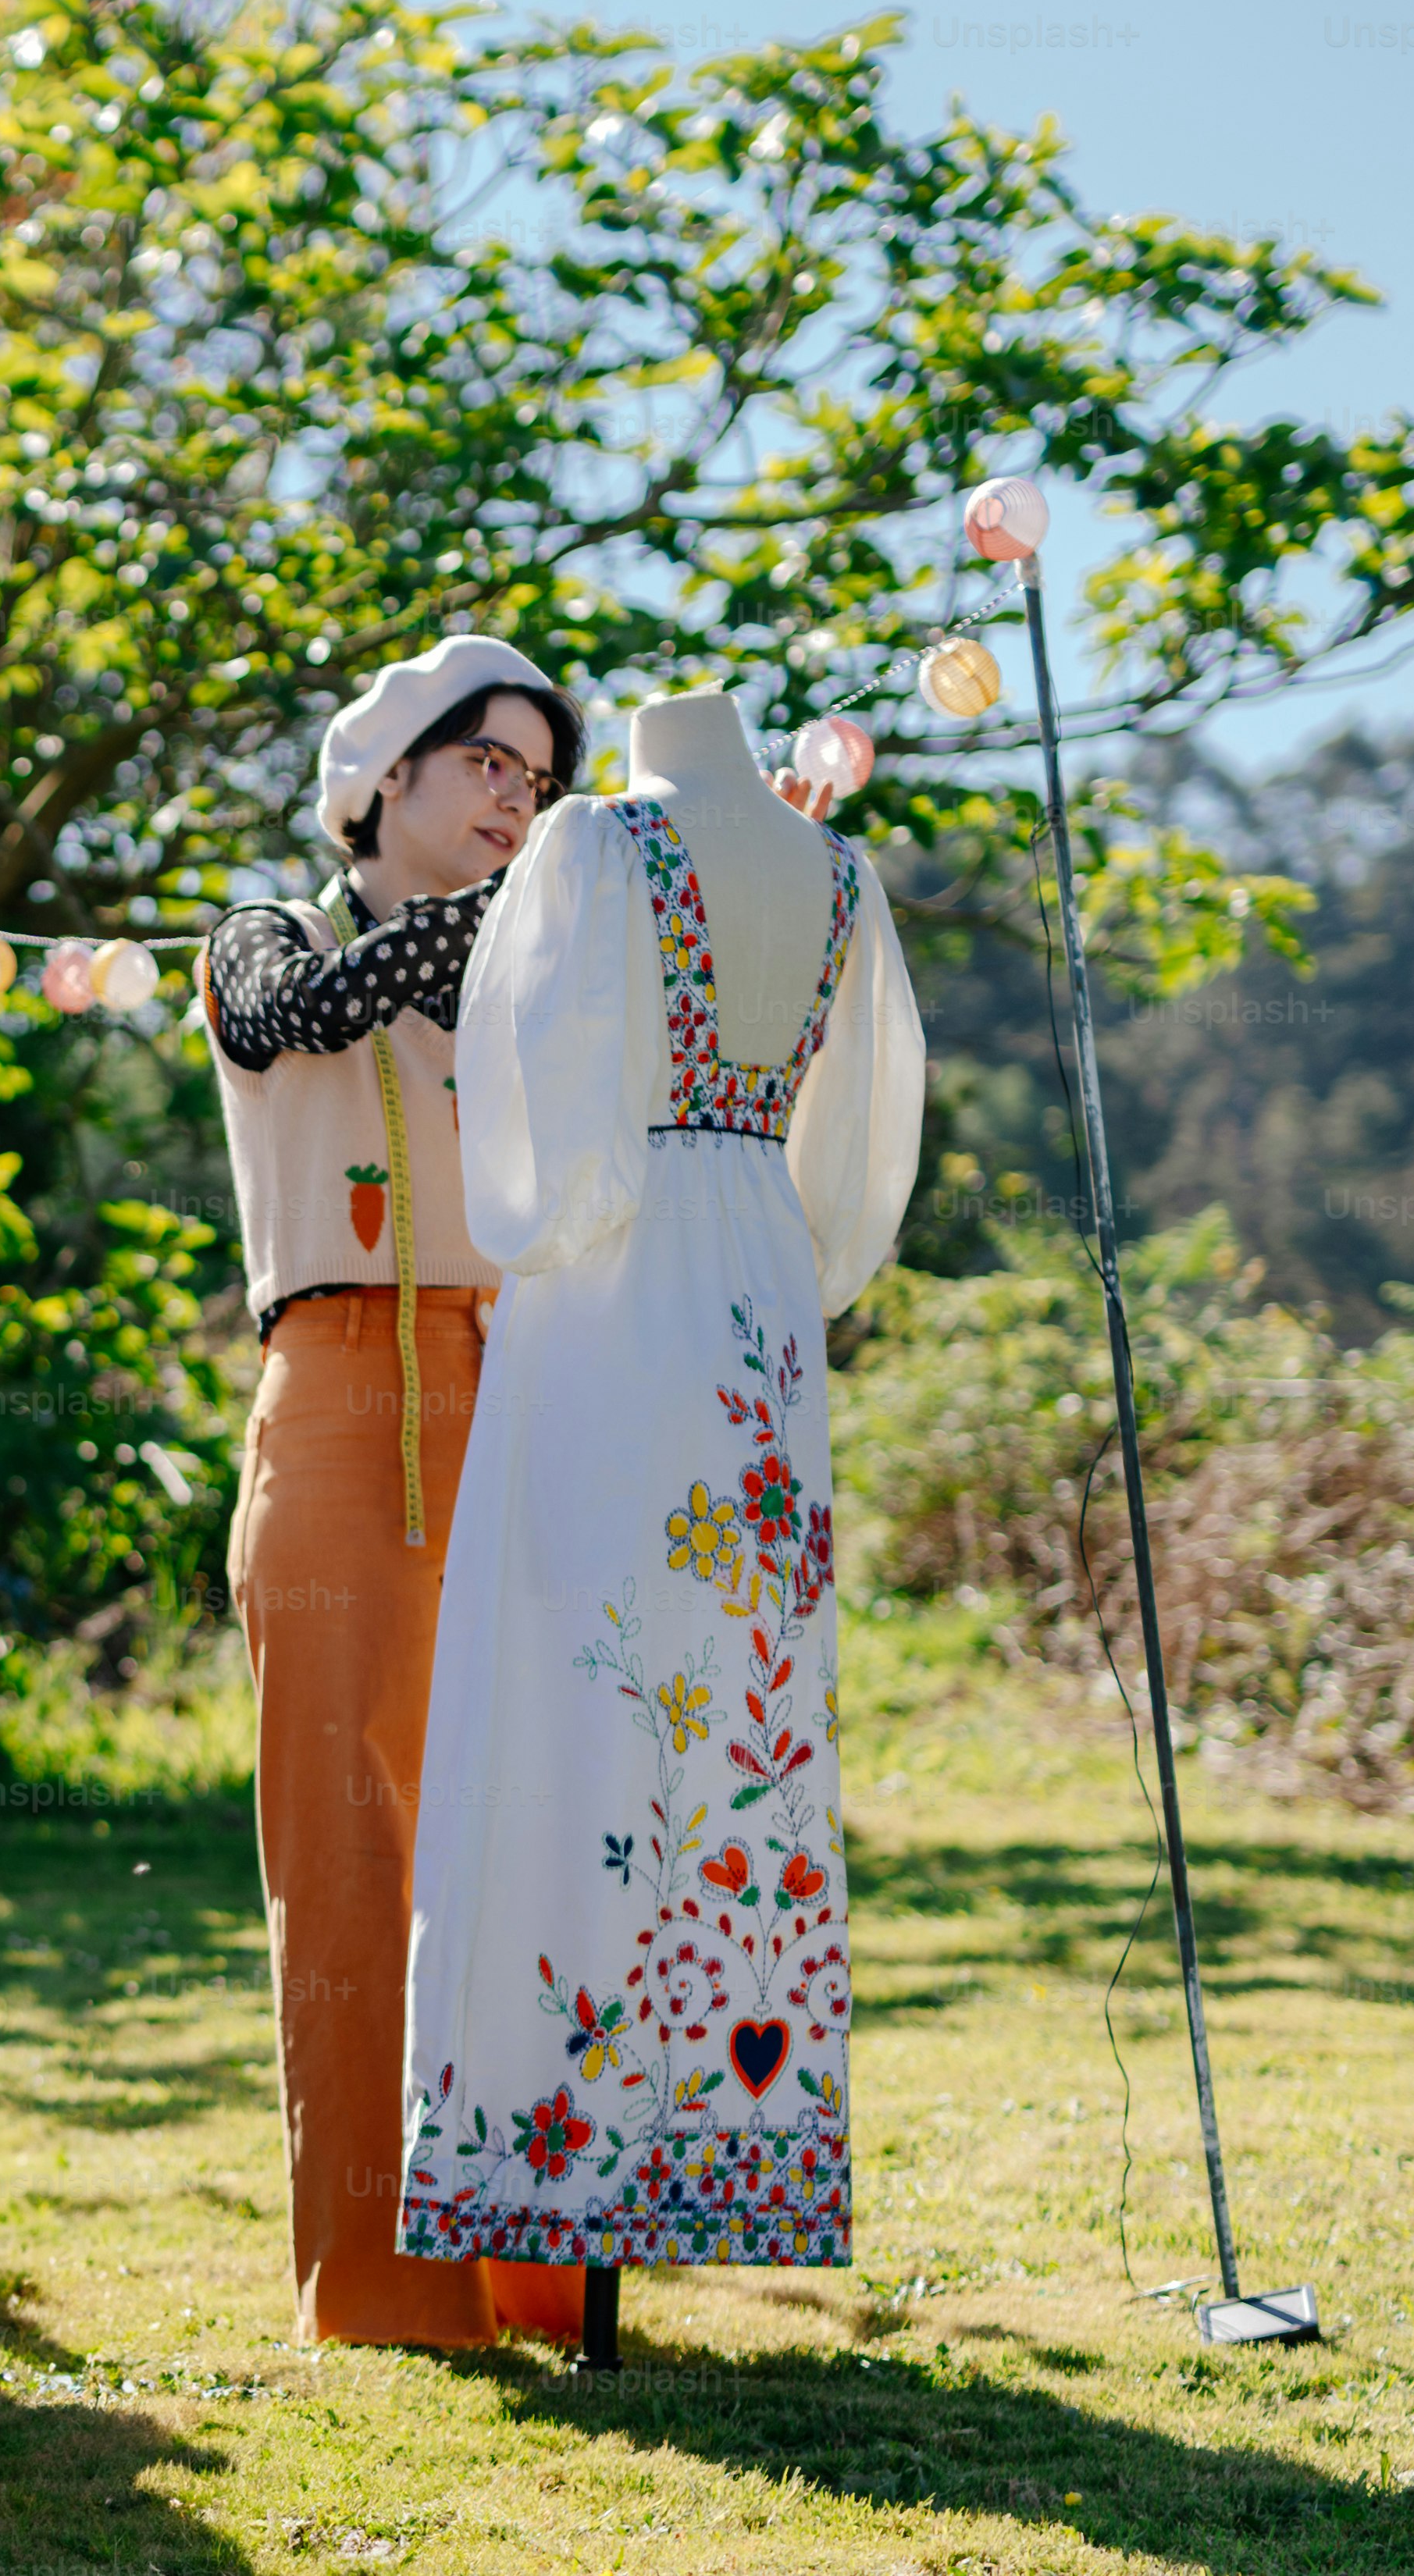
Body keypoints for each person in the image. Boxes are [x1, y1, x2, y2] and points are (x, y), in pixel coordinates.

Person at [393, 685, 921, 2288]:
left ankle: (553, 2140)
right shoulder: (837, 876)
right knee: (733, 1695)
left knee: (568, 1689)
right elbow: (865, 1144)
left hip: (608, 1293)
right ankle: (710, 2141)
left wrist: (575, 1209)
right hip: (755, 1285)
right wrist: (775, 1226)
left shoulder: (589, 844)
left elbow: (529, 1122)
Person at [198, 632, 587, 2349]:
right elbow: (299, 1015)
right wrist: (545, 923)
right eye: (487, 763)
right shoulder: (258, 933)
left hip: (521, 1386)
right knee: (347, 1857)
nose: (517, 798)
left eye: (536, 778)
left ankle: (543, 2263)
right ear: (382, 778)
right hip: (341, 1394)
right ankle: (381, 2287)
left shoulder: (544, 972)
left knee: (527, 1830)